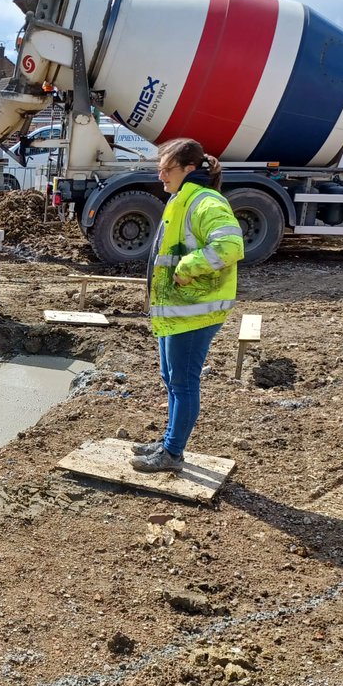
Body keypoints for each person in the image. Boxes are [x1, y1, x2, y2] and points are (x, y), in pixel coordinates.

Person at [131, 138, 244, 473]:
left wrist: (186, 268)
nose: (161, 174)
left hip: (196, 311)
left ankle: (173, 453)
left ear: (189, 170)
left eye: (168, 168)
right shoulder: (182, 198)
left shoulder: (206, 201)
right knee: (171, 378)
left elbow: (230, 245)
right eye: (160, 168)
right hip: (178, 309)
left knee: (183, 381)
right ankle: (169, 441)